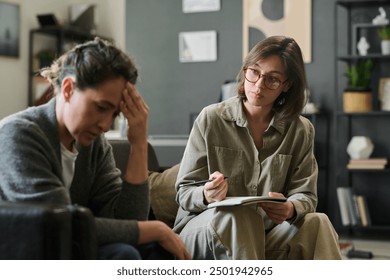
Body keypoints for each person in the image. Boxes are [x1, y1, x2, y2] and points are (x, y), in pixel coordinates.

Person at [0, 38, 190, 260]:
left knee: (157, 251)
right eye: (101, 108)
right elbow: (56, 223)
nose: (106, 125)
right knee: (126, 252)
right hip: (25, 252)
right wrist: (154, 229)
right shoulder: (18, 133)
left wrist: (139, 143)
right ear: (69, 89)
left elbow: (127, 220)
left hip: (69, 246)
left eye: (114, 114)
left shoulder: (94, 145)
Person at [173, 36, 342, 260]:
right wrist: (206, 194)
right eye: (254, 72)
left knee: (317, 222)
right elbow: (184, 191)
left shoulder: (301, 130)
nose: (259, 85)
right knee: (239, 217)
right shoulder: (211, 118)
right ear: (246, 70)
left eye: (272, 79)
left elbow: (306, 195)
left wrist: (290, 208)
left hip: (264, 236)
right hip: (203, 231)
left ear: (287, 85)